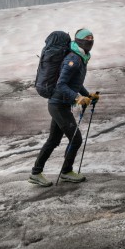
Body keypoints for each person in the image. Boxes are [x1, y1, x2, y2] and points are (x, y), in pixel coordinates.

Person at [29, 28, 100, 186]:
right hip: (58, 105)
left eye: (92, 37)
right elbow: (61, 84)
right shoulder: (73, 59)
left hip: (61, 104)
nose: (90, 40)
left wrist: (88, 96)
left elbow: (76, 83)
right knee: (76, 140)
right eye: (87, 38)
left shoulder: (81, 57)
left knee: (53, 140)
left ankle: (36, 173)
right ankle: (66, 172)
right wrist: (77, 98)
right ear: (79, 40)